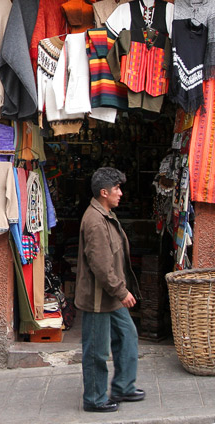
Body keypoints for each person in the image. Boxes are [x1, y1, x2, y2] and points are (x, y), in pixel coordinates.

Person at [76, 166, 144, 413]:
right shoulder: (95, 220)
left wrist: (119, 290)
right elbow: (101, 266)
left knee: (128, 336)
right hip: (99, 297)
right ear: (104, 192)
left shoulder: (105, 214)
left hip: (111, 295)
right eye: (117, 188)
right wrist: (121, 291)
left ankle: (123, 386)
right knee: (96, 350)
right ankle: (94, 398)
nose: (121, 193)